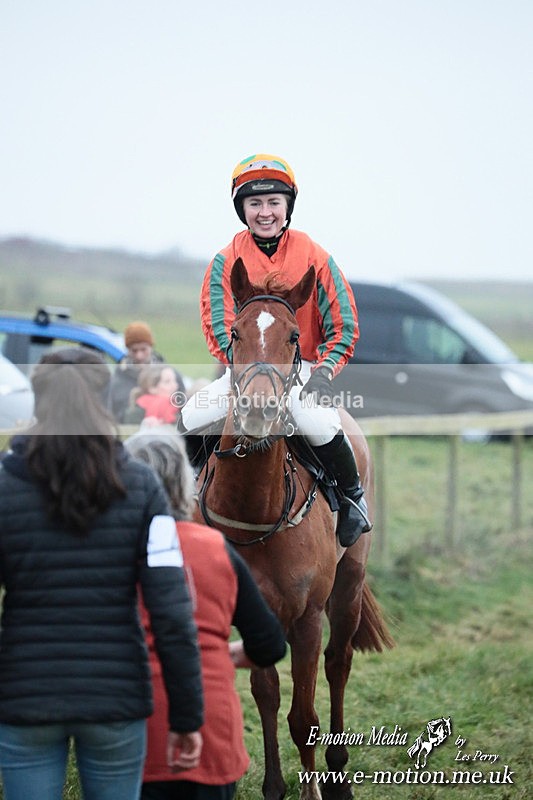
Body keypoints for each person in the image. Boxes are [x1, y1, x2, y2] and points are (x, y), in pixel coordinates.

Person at [0, 348, 203, 800]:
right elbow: (171, 613)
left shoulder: (4, 486)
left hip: (25, 698)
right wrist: (187, 716)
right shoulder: (144, 487)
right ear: (106, 400)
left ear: (38, 400)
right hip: (116, 701)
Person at [180, 153, 372, 547]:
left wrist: (322, 374)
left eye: (273, 202)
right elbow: (219, 326)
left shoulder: (315, 257)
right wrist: (244, 370)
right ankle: (175, 494)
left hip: (299, 370)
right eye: (254, 203)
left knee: (317, 421)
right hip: (244, 371)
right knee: (191, 412)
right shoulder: (225, 260)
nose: (264, 212)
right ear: (242, 209)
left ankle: (353, 501)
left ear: (287, 206)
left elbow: (344, 325)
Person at [124, 433, 287, 800]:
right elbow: (270, 645)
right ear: (186, 482)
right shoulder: (216, 549)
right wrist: (221, 654)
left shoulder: (112, 549)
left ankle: (348, 492)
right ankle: (352, 500)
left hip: (131, 733)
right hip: (210, 729)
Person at [108, 321, 165, 422]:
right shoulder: (117, 380)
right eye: (134, 350)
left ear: (151, 347)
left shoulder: (168, 376)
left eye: (144, 349)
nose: (139, 356)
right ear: (127, 350)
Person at [124, 364, 184, 429]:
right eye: (167, 382)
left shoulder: (180, 409)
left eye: (174, 380)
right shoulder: (136, 413)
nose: (175, 385)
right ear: (152, 388)